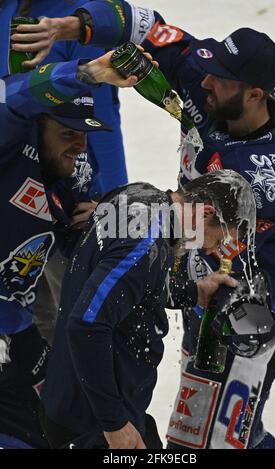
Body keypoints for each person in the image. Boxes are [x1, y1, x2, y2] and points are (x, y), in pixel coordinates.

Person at [14, 0, 275, 449]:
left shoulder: (267, 178)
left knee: (224, 437)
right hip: (201, 271)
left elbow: (219, 238)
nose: (204, 80)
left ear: (254, 94)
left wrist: (133, 216)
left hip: (253, 296)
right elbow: (147, 28)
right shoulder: (209, 81)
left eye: (220, 78)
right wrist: (69, 27)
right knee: (193, 424)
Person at [40, 169, 256, 449]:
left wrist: (195, 292)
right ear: (205, 213)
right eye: (218, 240)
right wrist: (114, 424)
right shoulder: (145, 245)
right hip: (94, 425)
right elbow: (86, 326)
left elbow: (133, 286)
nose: (211, 249)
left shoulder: (137, 196)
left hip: (78, 400)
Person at [0, 49, 139, 448]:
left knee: (49, 429)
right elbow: (11, 96)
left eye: (84, 133)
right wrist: (86, 72)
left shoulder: (73, 172)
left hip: (17, 329)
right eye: (67, 133)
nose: (79, 145)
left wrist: (100, 221)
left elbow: (87, 241)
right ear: (37, 125)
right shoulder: (8, 144)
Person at [0, 0, 129, 345]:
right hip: (12, 176)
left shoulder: (74, 13)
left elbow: (99, 118)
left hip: (58, 195)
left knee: (63, 320)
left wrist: (111, 198)